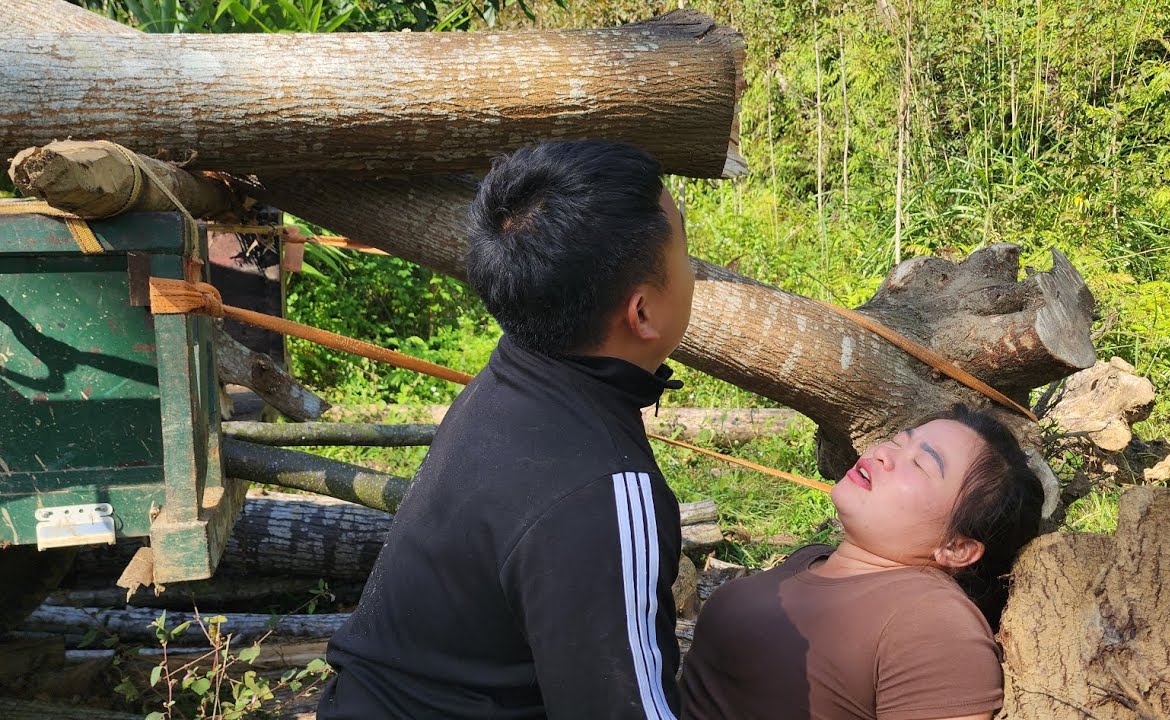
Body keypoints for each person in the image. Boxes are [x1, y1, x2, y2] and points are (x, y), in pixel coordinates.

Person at [317, 140, 696, 719]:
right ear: (642, 313)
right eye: (686, 253)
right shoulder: (604, 491)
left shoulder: (514, 374)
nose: (694, 271)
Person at [678, 405, 1044, 720]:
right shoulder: (812, 559)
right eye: (899, 440)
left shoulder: (934, 622)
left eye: (919, 463)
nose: (884, 453)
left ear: (957, 547)